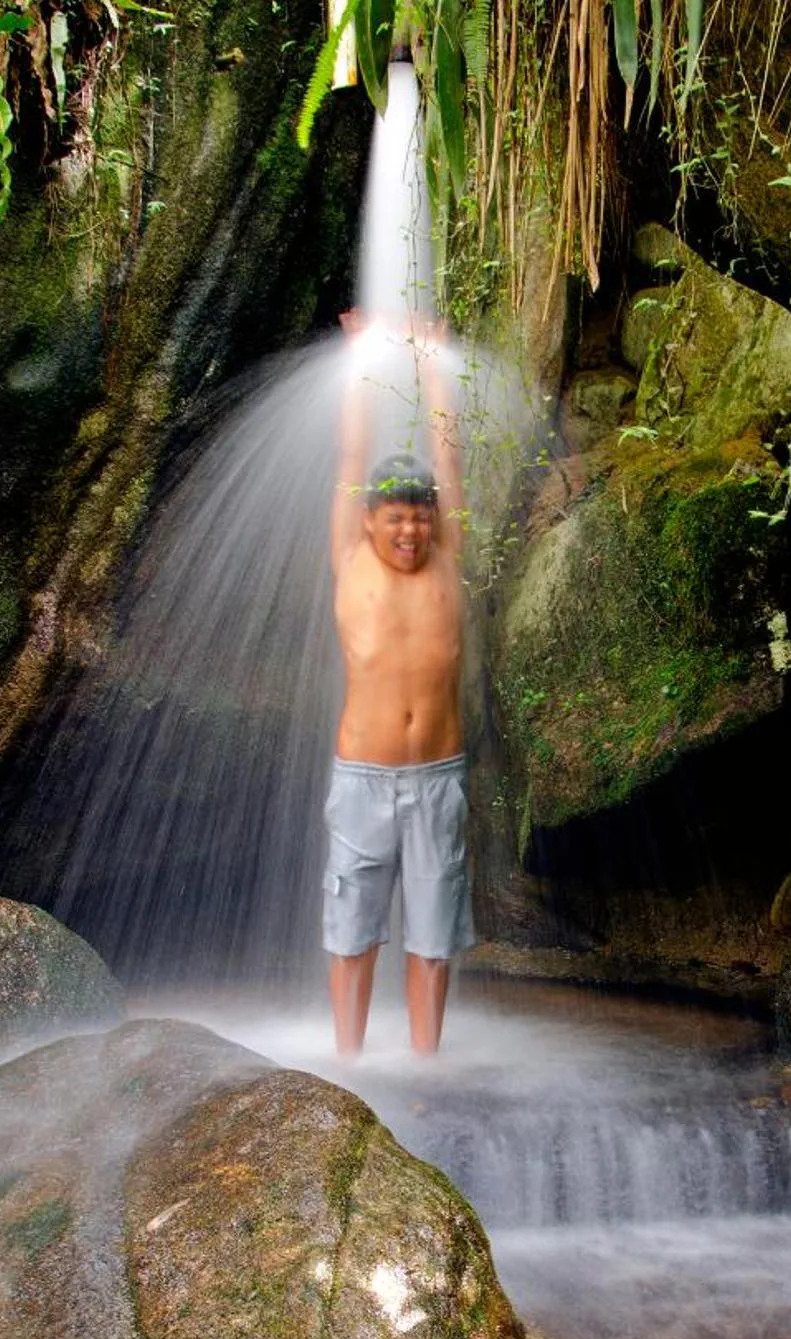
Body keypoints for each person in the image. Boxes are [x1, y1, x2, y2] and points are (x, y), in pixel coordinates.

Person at [323, 311, 470, 1055]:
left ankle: (425, 1066)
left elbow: (447, 460)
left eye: (419, 518)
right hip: (364, 778)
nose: (409, 531)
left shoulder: (447, 559)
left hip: (437, 777)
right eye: (394, 518)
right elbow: (352, 456)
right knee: (353, 932)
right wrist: (362, 359)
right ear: (369, 519)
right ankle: (348, 1065)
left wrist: (433, 359)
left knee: (434, 936)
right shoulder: (351, 560)